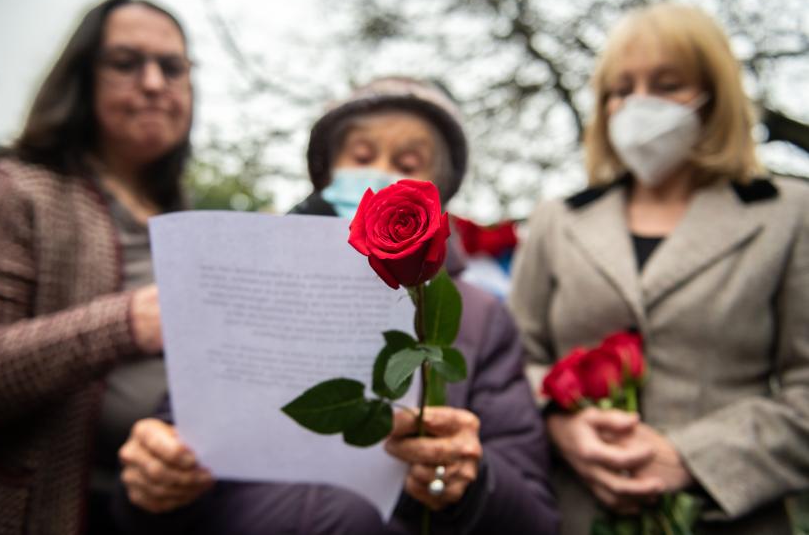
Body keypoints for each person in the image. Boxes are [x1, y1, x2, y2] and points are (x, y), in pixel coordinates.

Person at [113, 77, 560, 534]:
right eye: (362, 158)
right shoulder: (247, 288)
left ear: (438, 192)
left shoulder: (480, 317)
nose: (379, 175)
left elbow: (535, 519)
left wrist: (470, 481)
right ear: (328, 175)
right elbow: (160, 470)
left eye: (407, 162)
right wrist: (158, 477)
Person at [508, 2, 809, 535]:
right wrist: (561, 426)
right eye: (621, 90)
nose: (638, 104)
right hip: (573, 513)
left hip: (730, 518)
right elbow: (514, 362)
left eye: (667, 85)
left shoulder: (788, 213)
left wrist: (691, 456)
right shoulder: (557, 220)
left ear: (715, 96)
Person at [0, 0, 193, 534]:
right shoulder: (17, 191)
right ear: (82, 76)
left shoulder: (188, 219)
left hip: (178, 507)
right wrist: (126, 322)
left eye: (172, 67)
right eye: (126, 62)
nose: (153, 83)